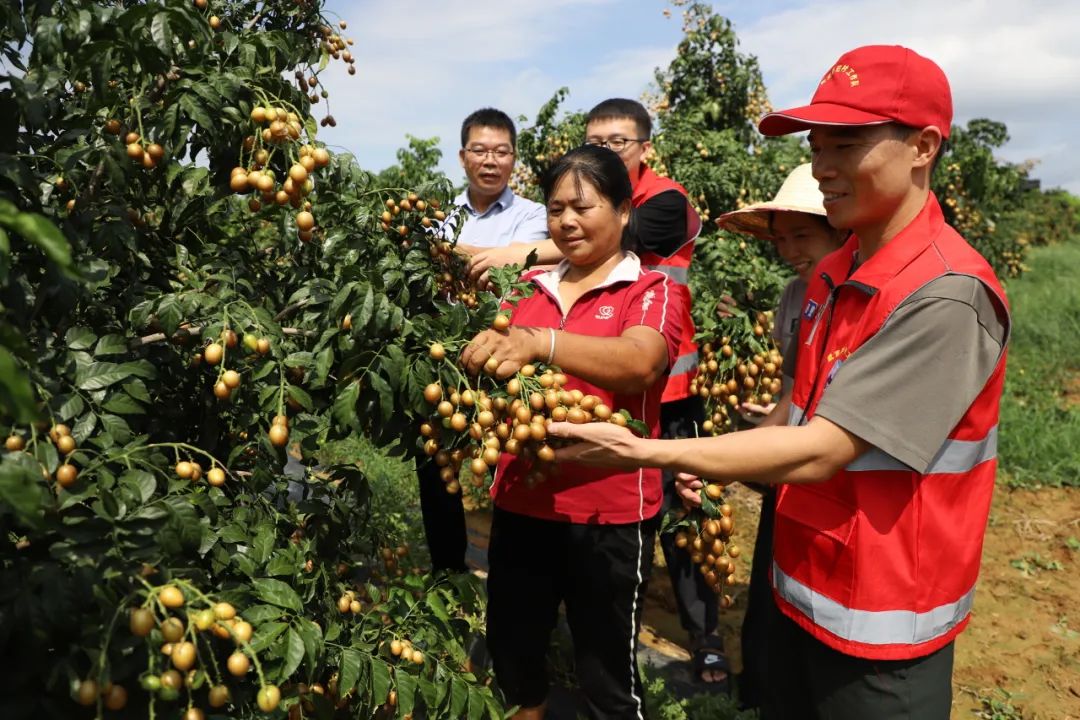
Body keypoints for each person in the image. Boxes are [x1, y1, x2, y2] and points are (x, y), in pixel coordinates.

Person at [547, 45, 1011, 720]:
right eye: (817, 146)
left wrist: (648, 451)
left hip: (881, 627)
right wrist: (721, 461)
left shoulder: (945, 295)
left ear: (924, 146)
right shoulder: (830, 277)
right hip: (799, 593)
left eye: (845, 145)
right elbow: (795, 416)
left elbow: (824, 447)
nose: (822, 166)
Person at [460, 144, 684, 720]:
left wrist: (544, 343)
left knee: (606, 675)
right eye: (556, 208)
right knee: (514, 660)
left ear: (624, 211)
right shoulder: (526, 287)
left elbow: (641, 362)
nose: (567, 221)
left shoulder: (653, 290)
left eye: (583, 207)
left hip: (607, 515)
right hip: (522, 503)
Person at [583, 98, 729, 690]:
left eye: (617, 142)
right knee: (624, 512)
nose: (604, 151)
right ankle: (620, 632)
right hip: (618, 388)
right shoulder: (592, 200)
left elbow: (600, 247)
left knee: (688, 516)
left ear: (645, 147)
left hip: (672, 391)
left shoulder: (666, 203)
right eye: (593, 142)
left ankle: (707, 638)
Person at [712, 162, 847, 709]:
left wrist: (728, 458)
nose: (790, 249)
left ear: (838, 231)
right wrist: (771, 423)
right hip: (790, 469)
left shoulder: (863, 295)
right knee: (771, 600)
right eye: (782, 238)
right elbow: (797, 388)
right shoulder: (795, 298)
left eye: (803, 235)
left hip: (829, 474)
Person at [419, 108, 549, 573]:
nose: (490, 161)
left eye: (500, 151)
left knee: (508, 471)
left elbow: (515, 275)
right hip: (442, 359)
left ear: (514, 158)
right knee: (437, 473)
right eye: (479, 150)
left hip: (505, 361)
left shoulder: (534, 214)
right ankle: (447, 573)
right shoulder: (441, 213)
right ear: (462, 156)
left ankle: (513, 578)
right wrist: (487, 257)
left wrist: (439, 250)